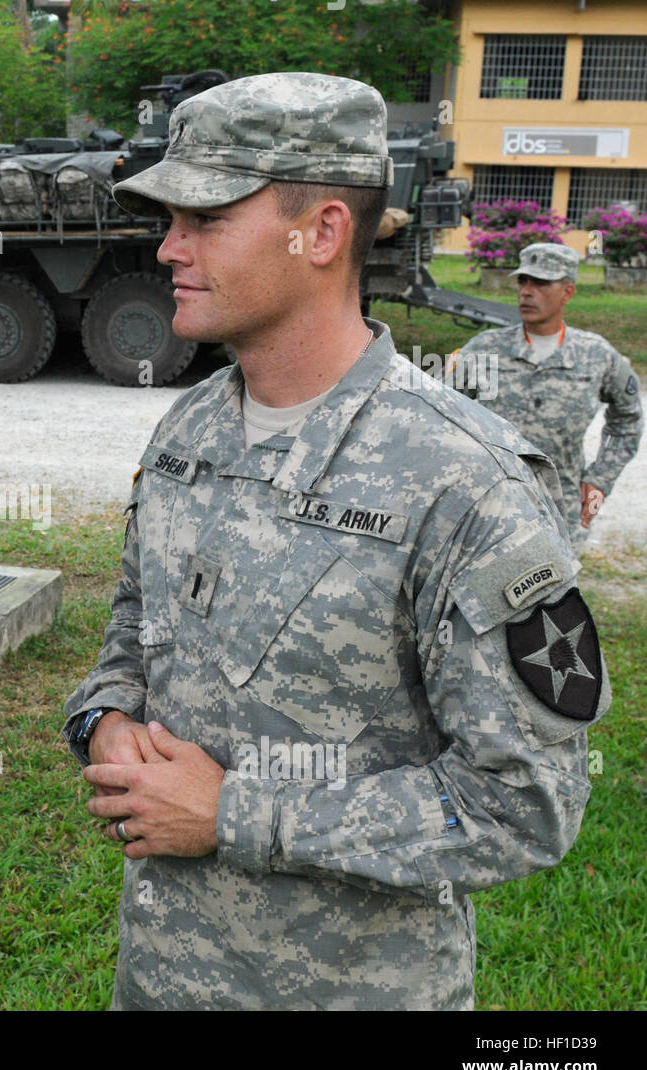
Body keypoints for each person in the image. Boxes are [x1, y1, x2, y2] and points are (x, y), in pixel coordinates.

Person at [61, 73, 610, 1011]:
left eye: (205, 218)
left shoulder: (465, 482)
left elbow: (526, 803)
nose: (168, 248)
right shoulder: (189, 433)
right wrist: (103, 719)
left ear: (321, 232)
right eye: (169, 218)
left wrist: (237, 813)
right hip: (162, 981)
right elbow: (131, 633)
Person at [451, 242, 641, 547]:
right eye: (523, 282)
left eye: (540, 283)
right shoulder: (485, 349)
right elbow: (440, 413)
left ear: (567, 292)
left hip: (559, 514)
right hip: (488, 512)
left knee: (558, 594)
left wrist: (601, 478)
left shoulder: (596, 355)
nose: (526, 291)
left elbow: (628, 417)